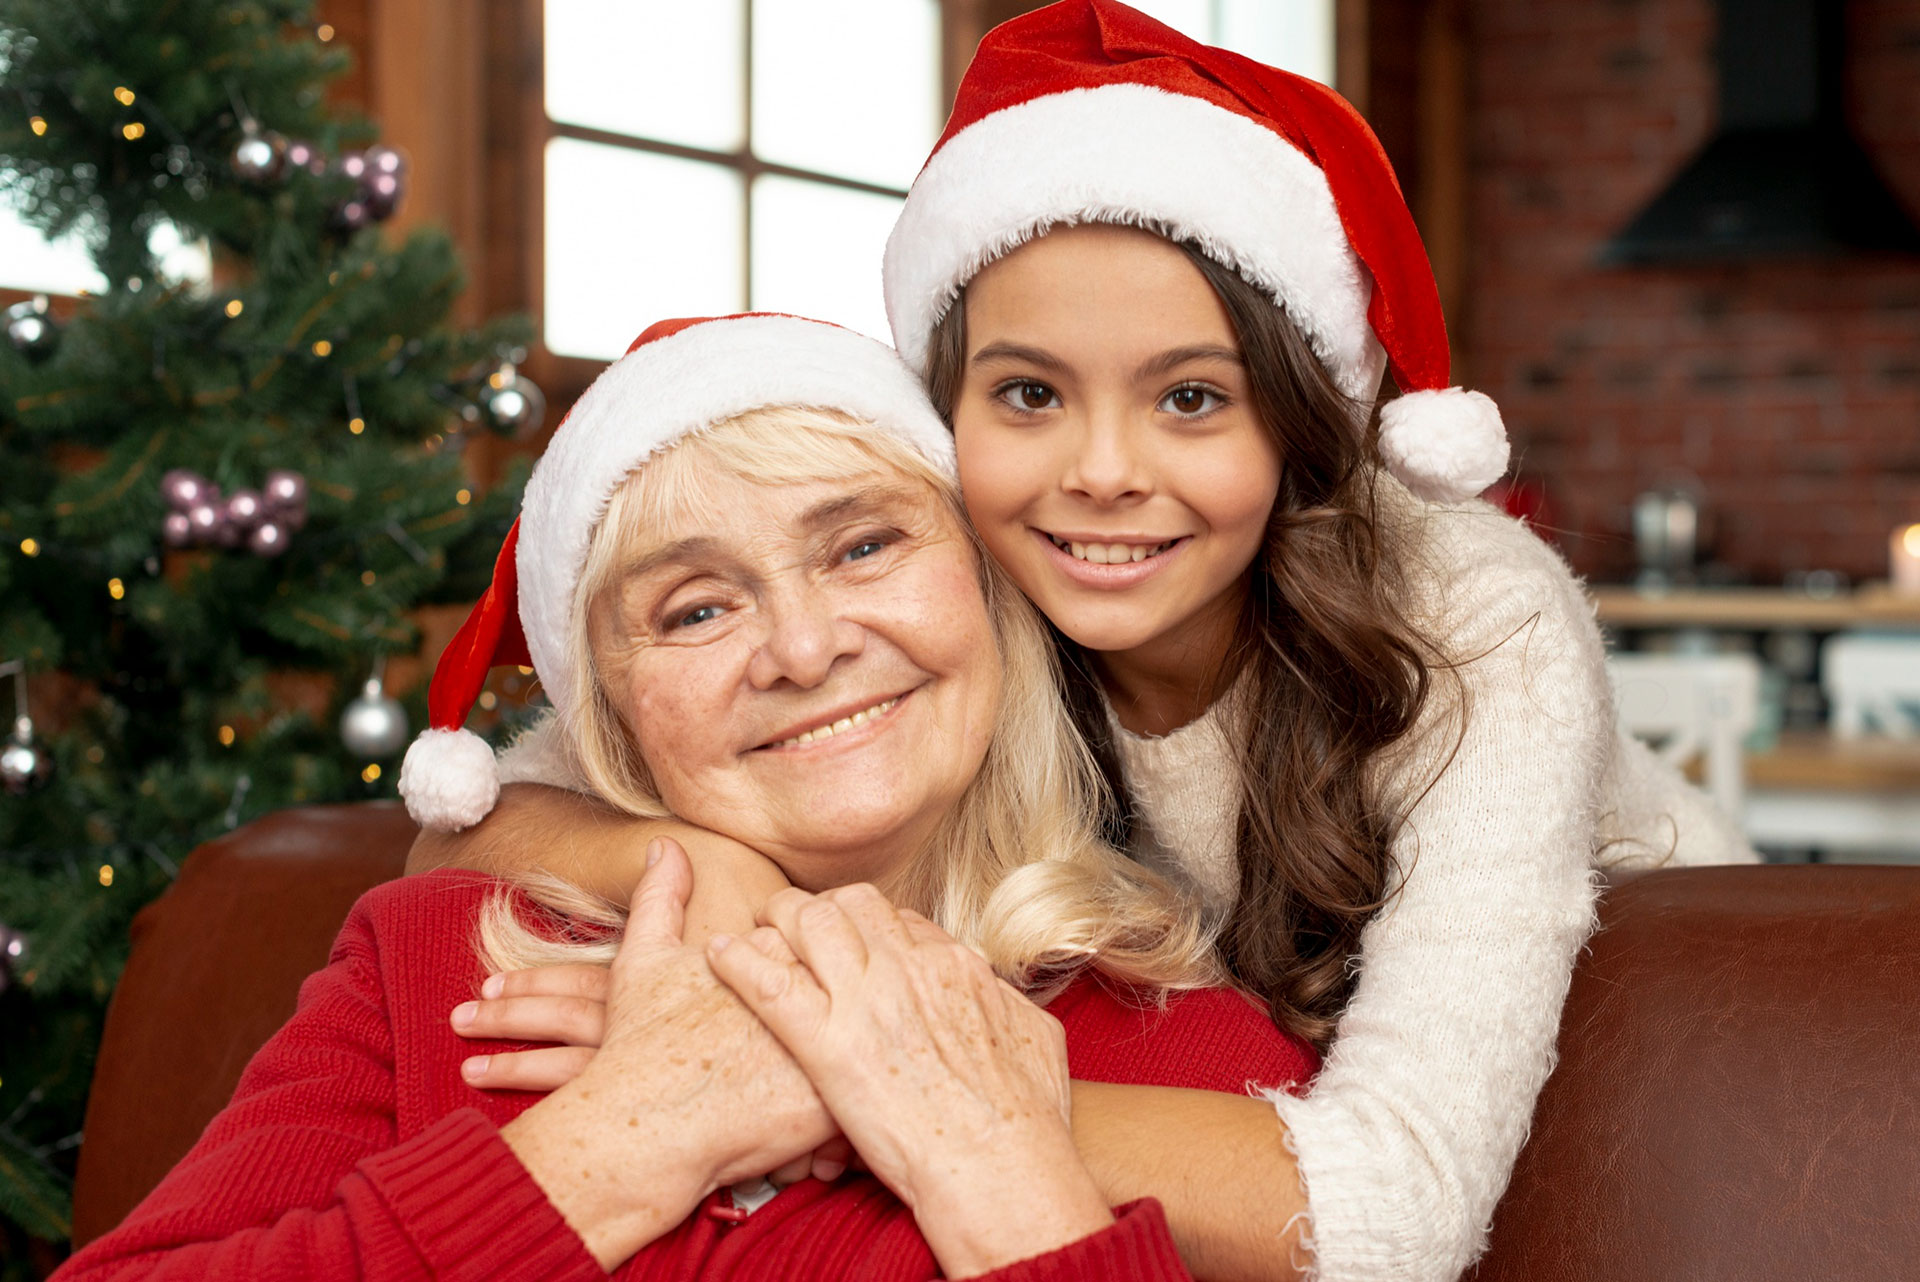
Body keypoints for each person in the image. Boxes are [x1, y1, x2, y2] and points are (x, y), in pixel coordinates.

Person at [415, 5, 1758, 1281]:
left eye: (1189, 396)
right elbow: (475, 822)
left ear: (1297, 428)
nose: (1102, 473)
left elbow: (1392, 1207)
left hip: (1662, 1058)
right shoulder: (961, 579)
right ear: (947, 420)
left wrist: (851, 1067)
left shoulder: (1469, 623)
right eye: (1029, 394)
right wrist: (708, 873)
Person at [54, 313, 1319, 1282]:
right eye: (695, 608)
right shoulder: (440, 969)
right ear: (612, 709)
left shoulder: (1200, 1068)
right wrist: (631, 1135)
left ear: (991, 591)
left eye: (865, 543)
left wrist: (991, 1158)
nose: (804, 648)